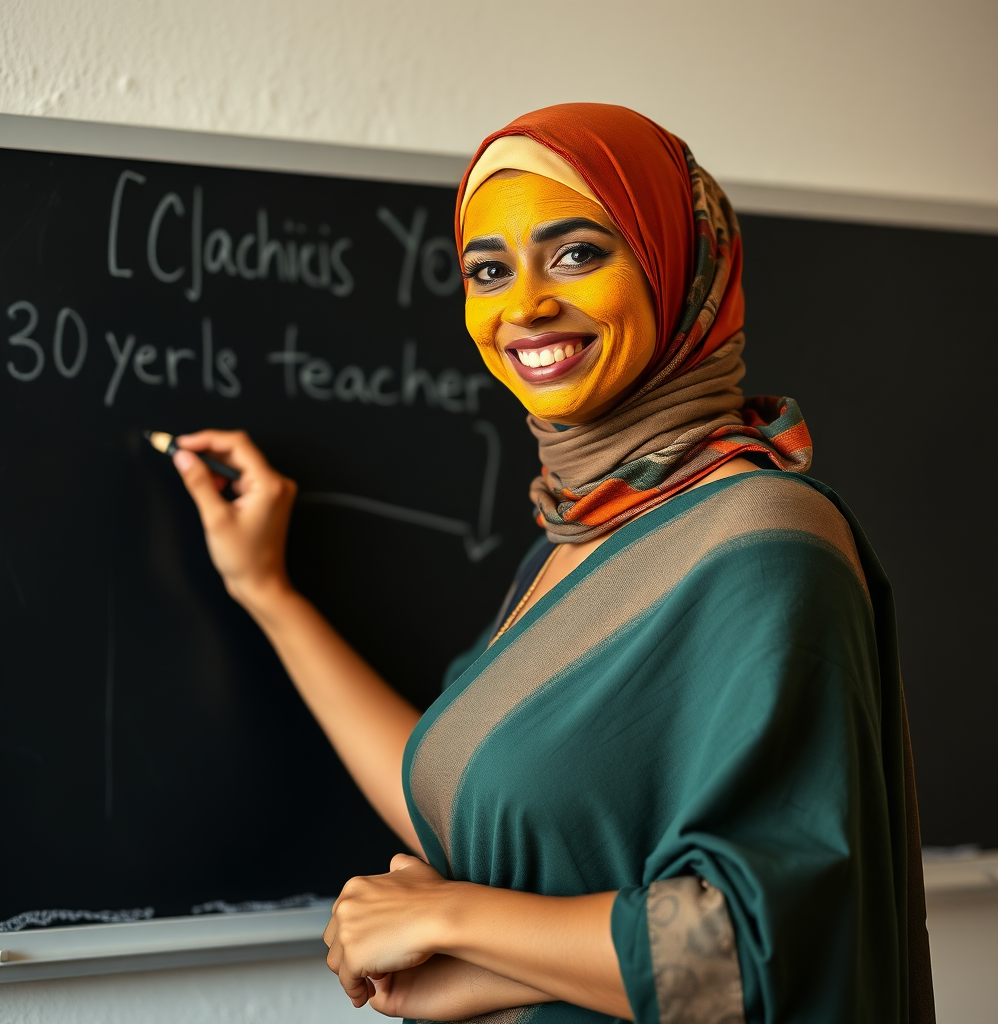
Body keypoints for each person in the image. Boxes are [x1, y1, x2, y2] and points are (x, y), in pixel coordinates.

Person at [171, 104, 935, 1023]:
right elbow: (460, 805)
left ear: (675, 268)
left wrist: (451, 919)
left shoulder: (764, 542)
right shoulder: (570, 541)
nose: (523, 305)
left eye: (577, 253)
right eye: (488, 270)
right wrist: (266, 590)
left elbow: (748, 949)